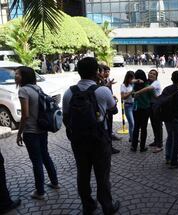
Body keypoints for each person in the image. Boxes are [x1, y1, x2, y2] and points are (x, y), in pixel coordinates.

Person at [63, 57, 120, 214]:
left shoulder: (69, 92)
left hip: (79, 141)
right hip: (99, 140)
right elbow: (114, 109)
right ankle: (107, 206)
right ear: (97, 72)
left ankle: (88, 205)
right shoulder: (102, 91)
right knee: (102, 176)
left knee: (83, 174)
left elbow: (66, 119)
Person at [15, 66, 59, 200]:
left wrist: (19, 133)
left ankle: (40, 192)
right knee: (45, 156)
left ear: (23, 76)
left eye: (17, 74)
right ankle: (55, 183)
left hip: (31, 132)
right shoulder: (37, 88)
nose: (15, 76)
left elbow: (25, 115)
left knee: (36, 161)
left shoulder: (23, 90)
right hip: (42, 129)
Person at [133, 69, 164, 153]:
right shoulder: (148, 82)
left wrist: (137, 92)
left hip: (157, 106)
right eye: (150, 73)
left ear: (156, 76)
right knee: (154, 125)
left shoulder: (155, 83)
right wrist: (138, 80)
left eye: (153, 74)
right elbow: (132, 80)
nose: (151, 75)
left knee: (158, 125)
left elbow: (148, 89)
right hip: (150, 106)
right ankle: (156, 141)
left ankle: (159, 145)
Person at [98, 65, 121, 154]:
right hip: (105, 111)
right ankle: (108, 148)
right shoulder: (100, 84)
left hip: (103, 112)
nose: (105, 73)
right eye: (104, 71)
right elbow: (112, 106)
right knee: (106, 129)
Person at [130, 70, 152, 152]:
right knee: (144, 128)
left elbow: (132, 95)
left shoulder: (135, 85)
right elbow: (151, 96)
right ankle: (142, 147)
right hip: (145, 108)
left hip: (136, 108)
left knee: (136, 127)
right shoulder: (147, 85)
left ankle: (134, 146)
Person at [121, 71, 135, 142]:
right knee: (131, 123)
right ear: (127, 78)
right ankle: (132, 139)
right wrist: (130, 92)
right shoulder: (123, 85)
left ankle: (132, 137)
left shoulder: (134, 84)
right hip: (128, 106)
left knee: (135, 123)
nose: (132, 80)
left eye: (133, 78)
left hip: (135, 105)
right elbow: (123, 97)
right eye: (131, 78)